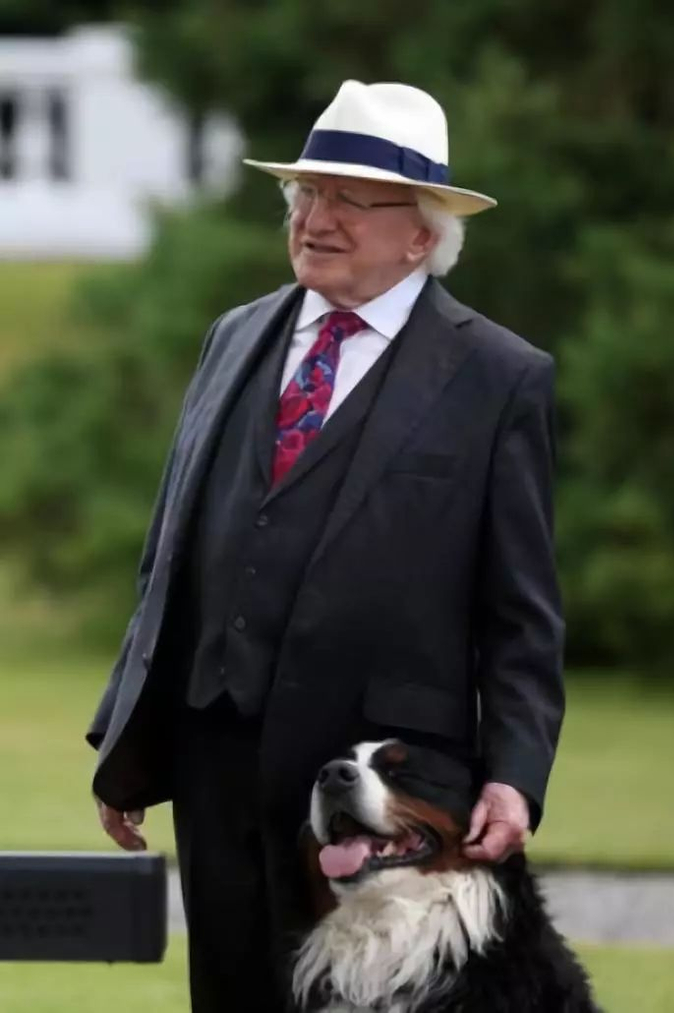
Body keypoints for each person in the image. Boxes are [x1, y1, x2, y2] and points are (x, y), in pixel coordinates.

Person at [88, 80, 564, 1012]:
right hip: (216, 753)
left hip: (378, 781)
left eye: (351, 199)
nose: (316, 218)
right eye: (306, 193)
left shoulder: (500, 377)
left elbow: (522, 612)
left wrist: (515, 774)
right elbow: (172, 557)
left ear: (421, 235)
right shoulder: (234, 336)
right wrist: (129, 736)